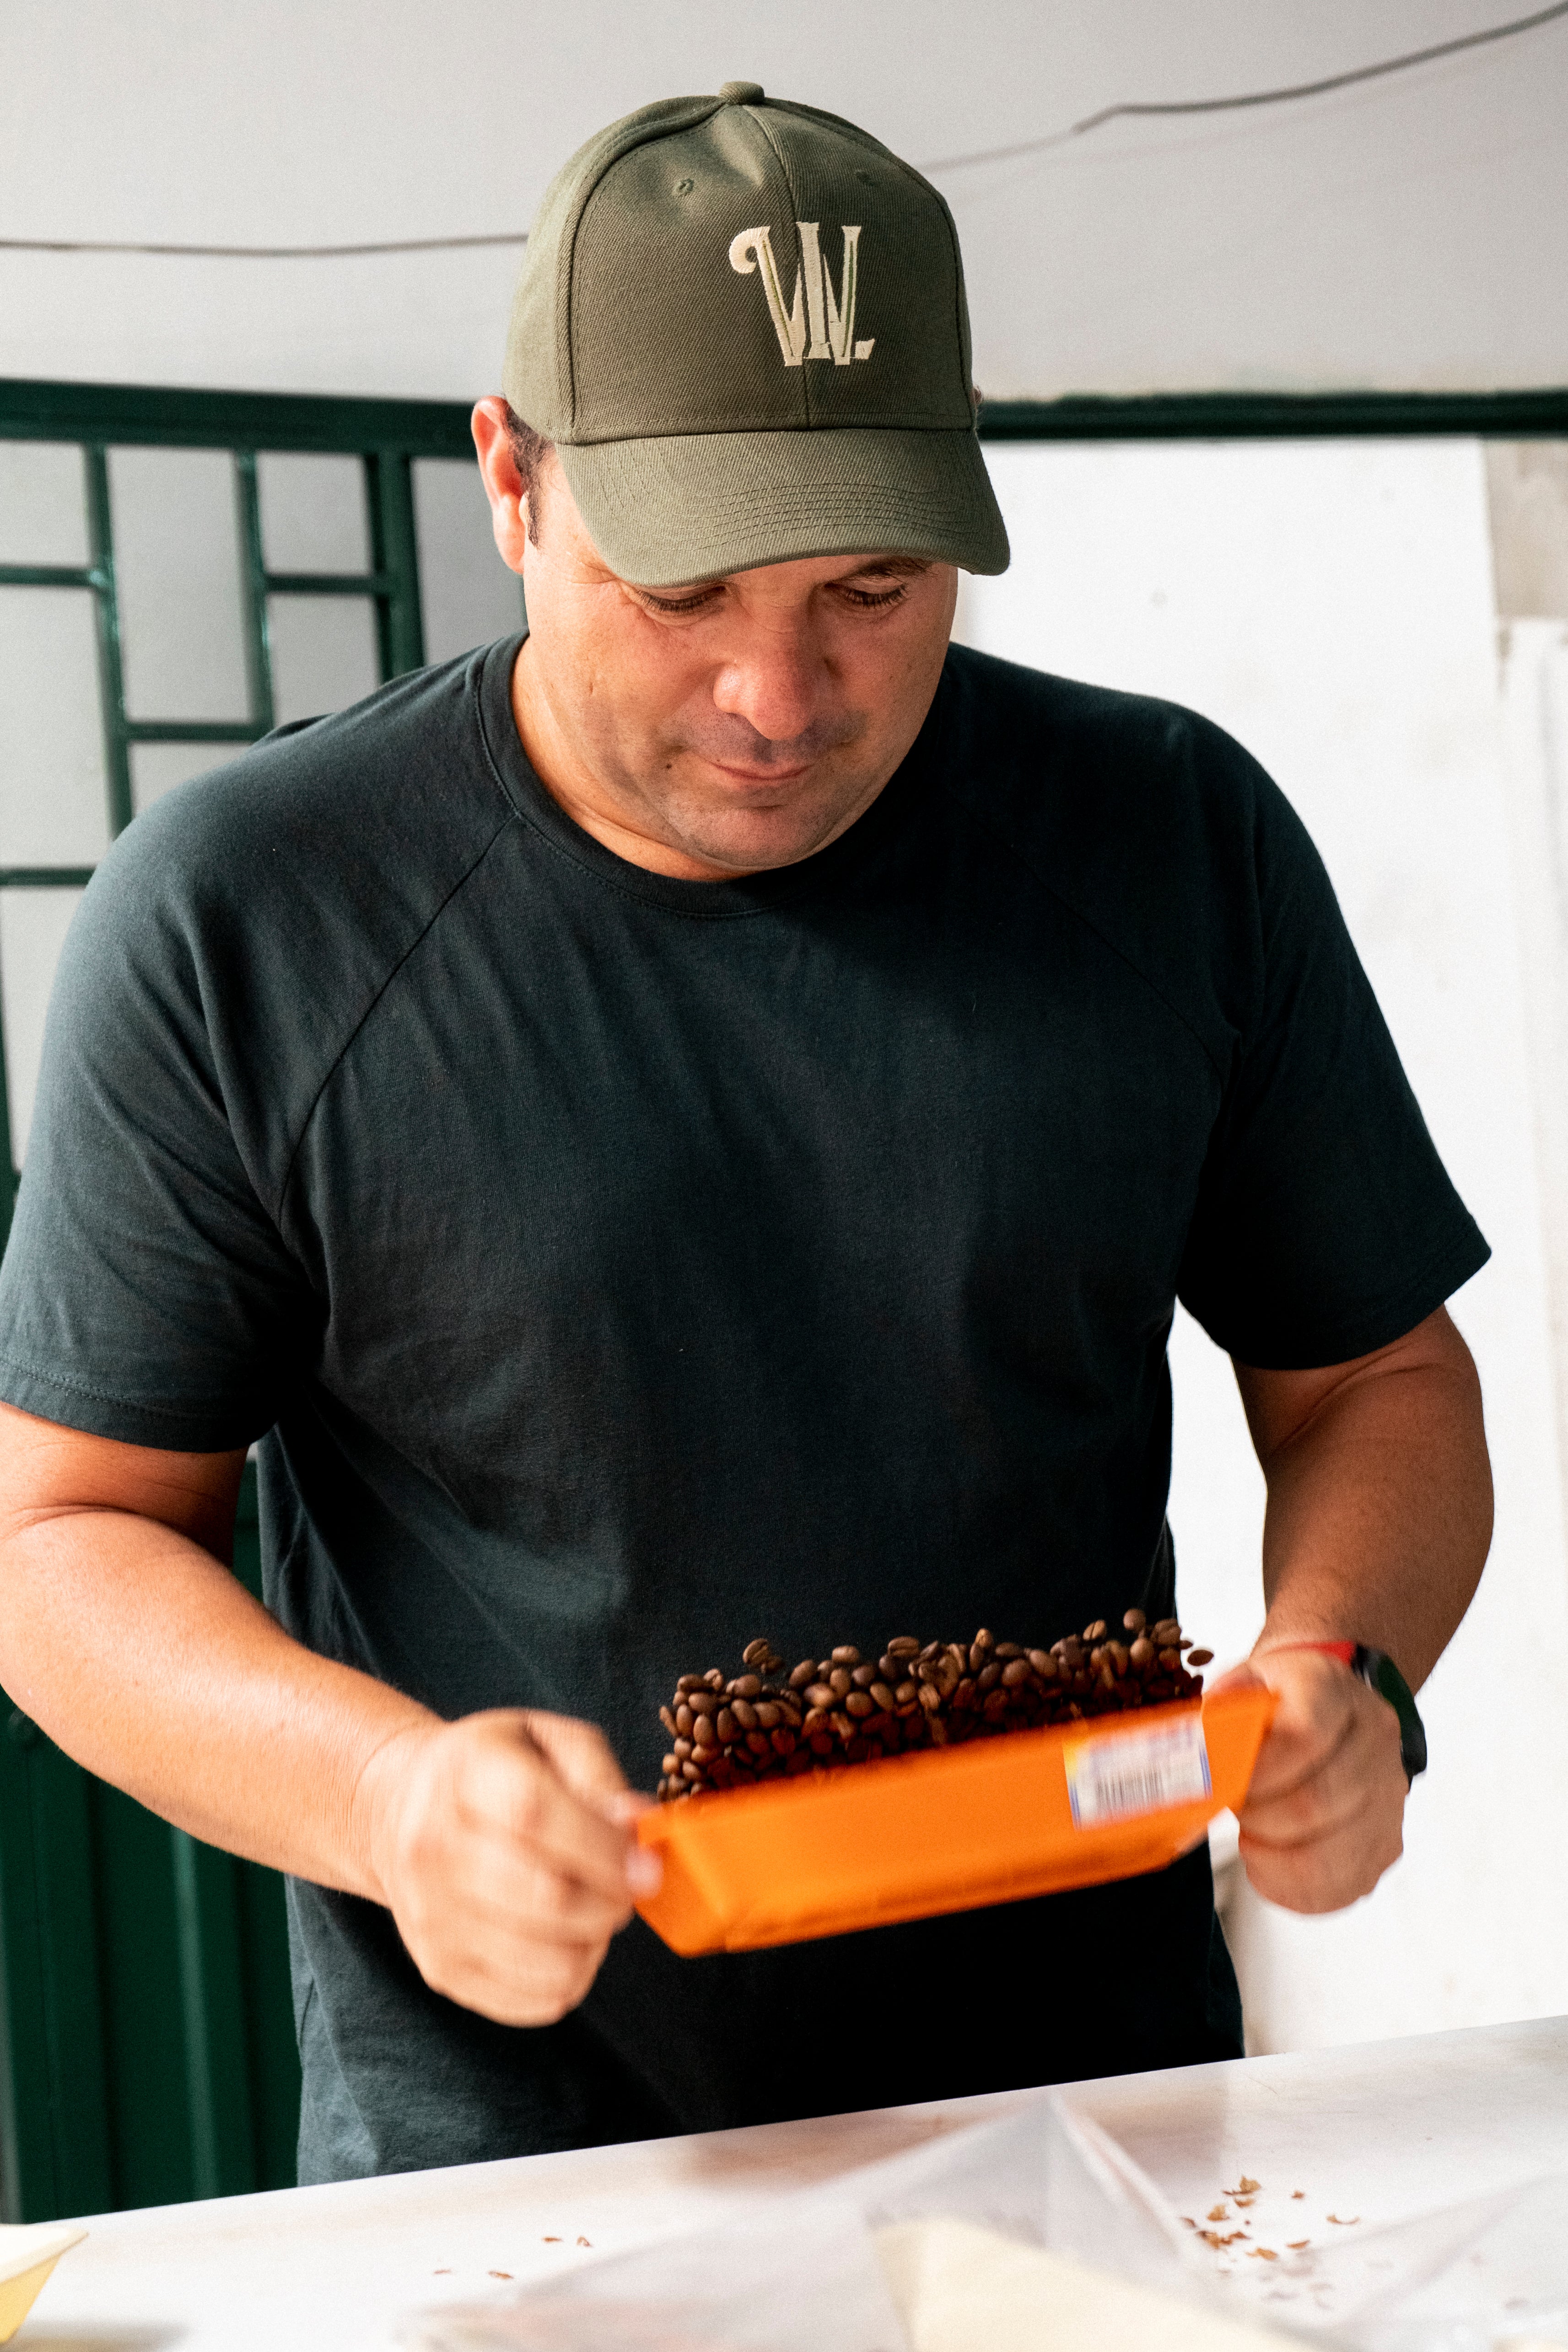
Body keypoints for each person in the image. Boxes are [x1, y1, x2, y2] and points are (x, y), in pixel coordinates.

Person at [0, 85, 1491, 2183]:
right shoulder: (248, 913)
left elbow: (1375, 1379)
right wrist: (393, 1803)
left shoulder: (1170, 844)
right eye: (680, 590)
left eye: (870, 590)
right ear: (511, 482)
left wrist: (1343, 1662)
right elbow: (58, 1537)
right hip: (524, 2174)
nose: (777, 696)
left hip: (1101, 2120)